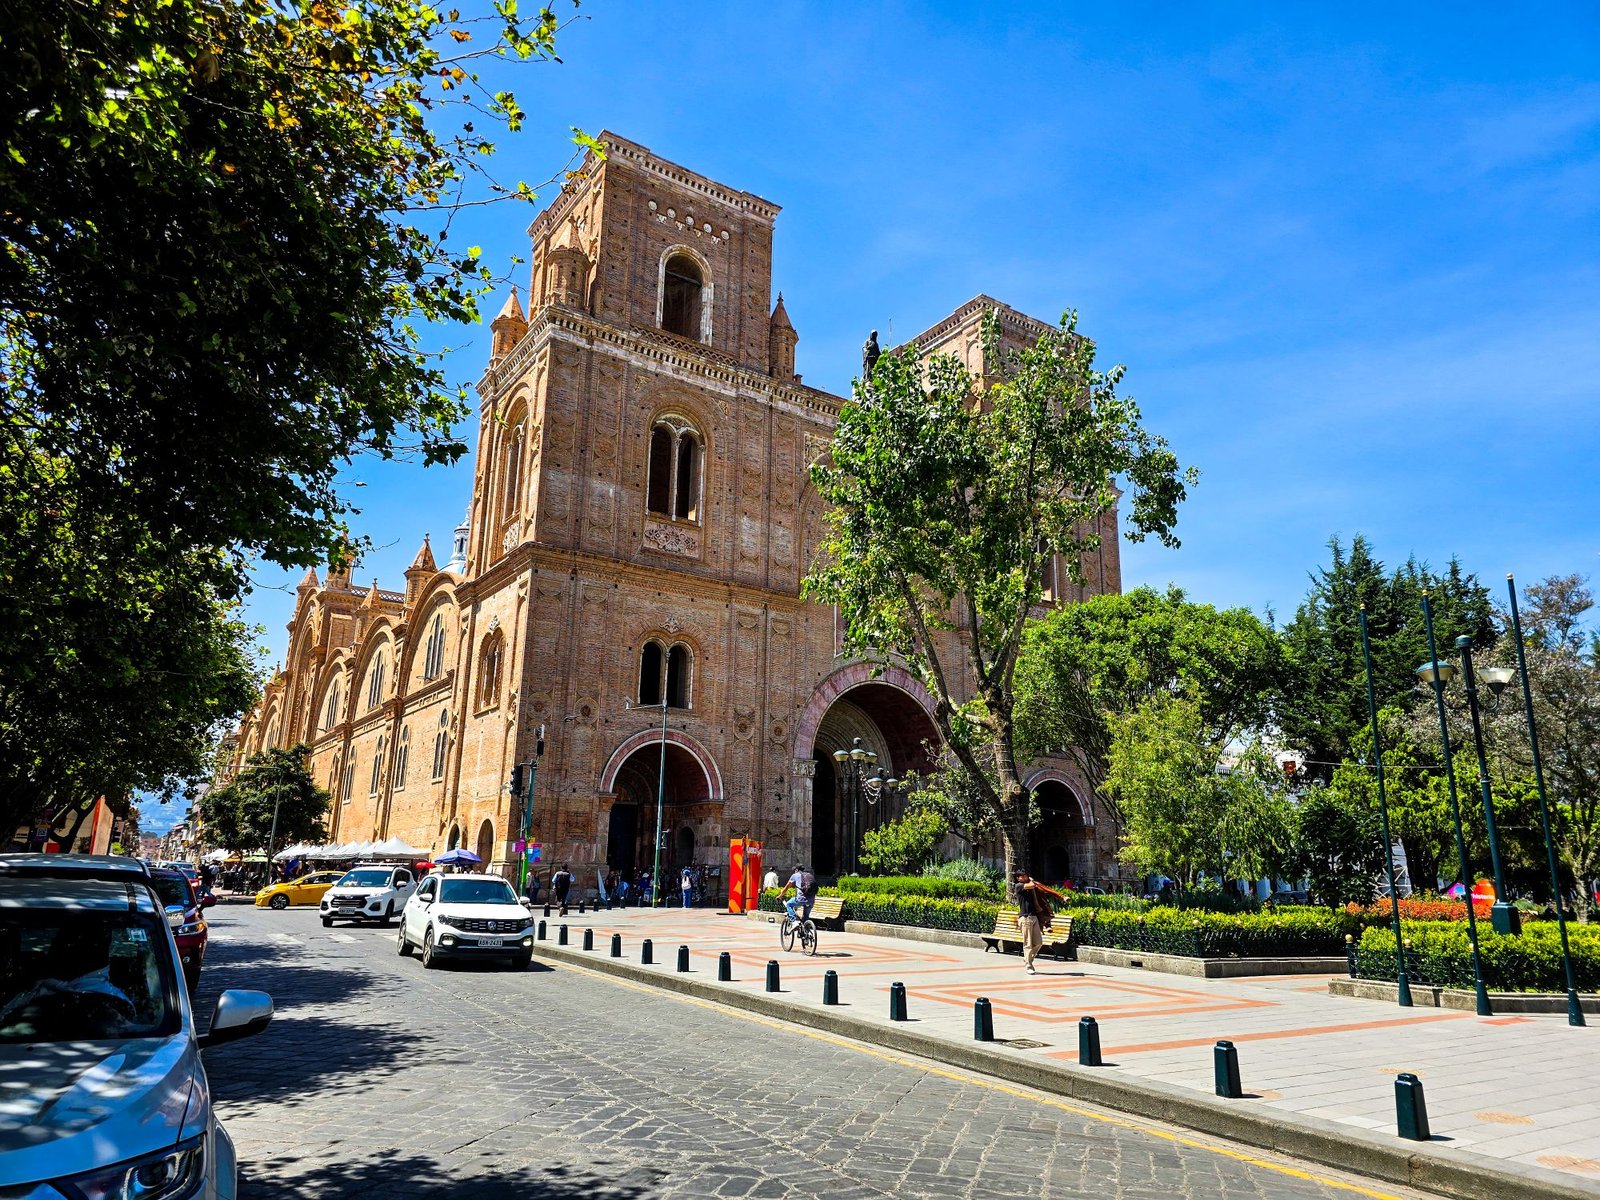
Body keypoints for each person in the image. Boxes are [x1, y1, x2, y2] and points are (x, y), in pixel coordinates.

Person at [1016, 871, 1066, 975]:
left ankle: (1027, 959)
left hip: (1034, 917)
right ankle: (1029, 965)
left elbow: (1041, 891)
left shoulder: (1031, 888)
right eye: (1022, 876)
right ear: (1018, 878)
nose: (1025, 877)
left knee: (1038, 943)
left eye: (1025, 875)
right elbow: (1032, 885)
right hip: (1025, 918)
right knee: (1028, 943)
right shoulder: (1019, 886)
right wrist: (1032, 880)